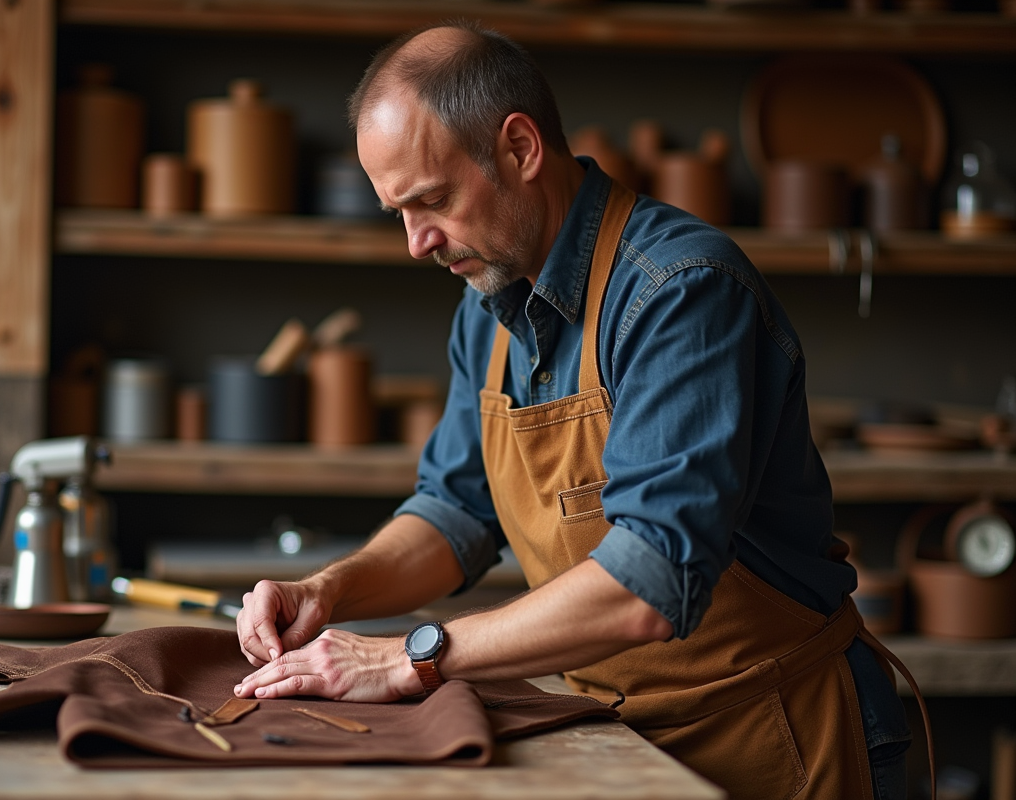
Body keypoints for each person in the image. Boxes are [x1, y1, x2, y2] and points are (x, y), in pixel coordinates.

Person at [234, 20, 919, 800]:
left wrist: (404, 657)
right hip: (618, 737)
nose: (417, 243)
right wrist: (330, 591)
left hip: (775, 734)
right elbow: (456, 516)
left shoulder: (680, 291)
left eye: (432, 200)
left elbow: (649, 582)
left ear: (521, 149)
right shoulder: (485, 304)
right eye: (399, 213)